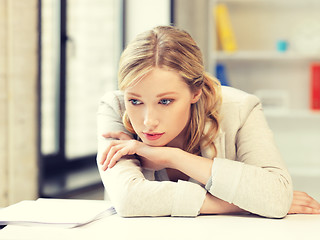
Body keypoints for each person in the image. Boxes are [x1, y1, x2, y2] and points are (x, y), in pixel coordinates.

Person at [97, 26, 320, 218]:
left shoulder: (241, 108)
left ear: (196, 92)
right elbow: (129, 199)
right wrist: (237, 204)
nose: (148, 121)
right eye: (135, 101)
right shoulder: (115, 108)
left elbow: (276, 195)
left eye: (165, 101)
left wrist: (172, 157)